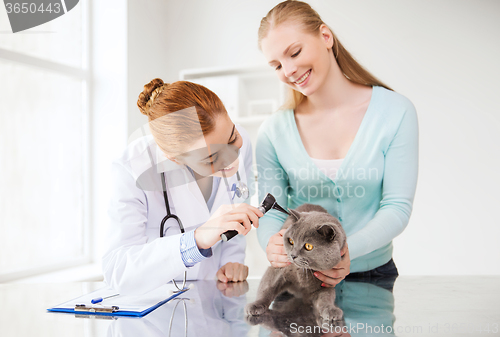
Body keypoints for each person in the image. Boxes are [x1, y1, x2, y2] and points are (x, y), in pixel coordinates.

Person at [255, 0, 418, 287]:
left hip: (373, 277)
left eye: (295, 52)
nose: (289, 70)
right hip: (300, 279)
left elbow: (396, 207)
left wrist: (343, 251)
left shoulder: (395, 111)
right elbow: (272, 208)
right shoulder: (272, 131)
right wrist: (271, 242)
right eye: (277, 65)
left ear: (325, 37)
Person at [102, 79, 263, 295]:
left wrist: (231, 260)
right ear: (175, 159)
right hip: (162, 307)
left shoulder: (239, 141)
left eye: (233, 137)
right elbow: (118, 270)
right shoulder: (134, 167)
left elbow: (236, 206)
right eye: (212, 157)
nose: (232, 157)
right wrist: (196, 240)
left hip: (217, 297)